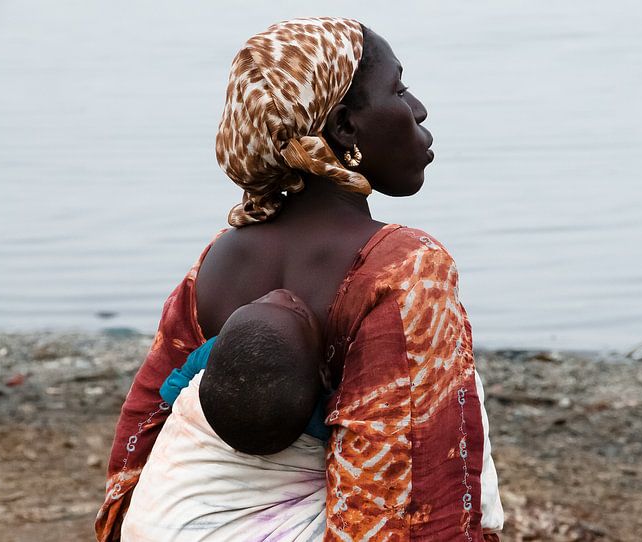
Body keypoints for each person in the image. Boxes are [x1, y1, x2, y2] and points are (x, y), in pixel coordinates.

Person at [96, 16, 504, 541]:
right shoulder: (403, 265)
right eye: (397, 89)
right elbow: (402, 477)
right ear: (344, 128)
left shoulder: (219, 258)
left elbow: (151, 416)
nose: (418, 108)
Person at [121, 290, 333, 540]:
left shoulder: (210, 353)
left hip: (149, 529)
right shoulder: (321, 412)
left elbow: (170, 393)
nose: (281, 295)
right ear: (322, 374)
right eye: (257, 301)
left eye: (297, 311)